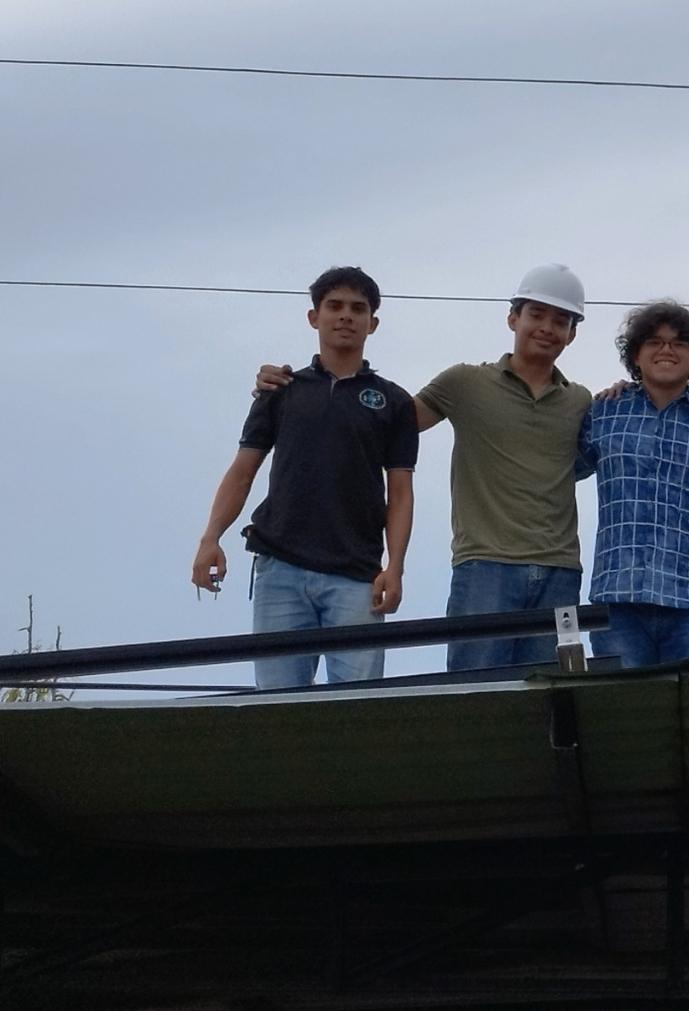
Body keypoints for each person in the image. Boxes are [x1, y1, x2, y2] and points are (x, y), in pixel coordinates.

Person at [256, 263, 593, 672]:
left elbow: (603, 454)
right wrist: (293, 393)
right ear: (512, 319)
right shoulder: (464, 383)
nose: (546, 328)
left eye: (560, 321)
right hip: (484, 565)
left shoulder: (582, 403)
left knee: (553, 692)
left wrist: (628, 388)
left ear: (572, 334)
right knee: (474, 691)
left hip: (561, 570)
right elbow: (382, 426)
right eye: (536, 315)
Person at [195, 266, 416, 690]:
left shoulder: (394, 401)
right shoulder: (280, 389)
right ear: (314, 317)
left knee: (359, 706)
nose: (346, 316)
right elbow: (243, 471)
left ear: (373, 323)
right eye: (334, 306)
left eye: (358, 308)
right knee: (278, 707)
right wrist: (210, 538)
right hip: (280, 568)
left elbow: (401, 492)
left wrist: (396, 567)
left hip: (357, 575)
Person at [578, 300, 689, 668]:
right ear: (636, 355)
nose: (667, 350)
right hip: (618, 597)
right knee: (626, 705)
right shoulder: (603, 412)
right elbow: (555, 473)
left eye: (679, 343)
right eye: (654, 342)